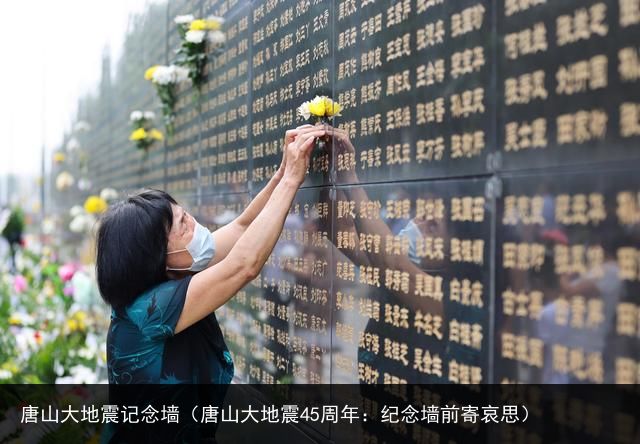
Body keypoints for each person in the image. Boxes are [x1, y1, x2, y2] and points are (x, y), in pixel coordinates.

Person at [96, 124, 326, 386]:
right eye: (182, 225)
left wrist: (284, 171)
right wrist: (290, 181)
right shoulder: (149, 309)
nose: (193, 223)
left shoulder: (175, 267)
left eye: (186, 214)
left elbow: (242, 227)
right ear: (156, 256)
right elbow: (243, 266)